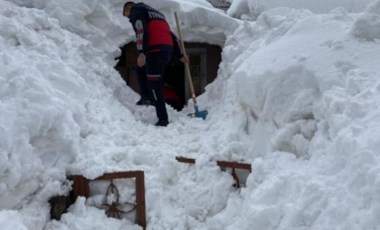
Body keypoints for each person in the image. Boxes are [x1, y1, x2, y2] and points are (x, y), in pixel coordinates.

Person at [123, 1, 184, 127]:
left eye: (126, 15)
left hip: (155, 50)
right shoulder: (158, 15)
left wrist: (141, 53)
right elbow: (172, 35)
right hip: (166, 50)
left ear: (129, 9)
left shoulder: (137, 11)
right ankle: (146, 96)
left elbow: (140, 30)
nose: (129, 18)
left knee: (155, 85)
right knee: (141, 69)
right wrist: (180, 55)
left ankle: (163, 119)